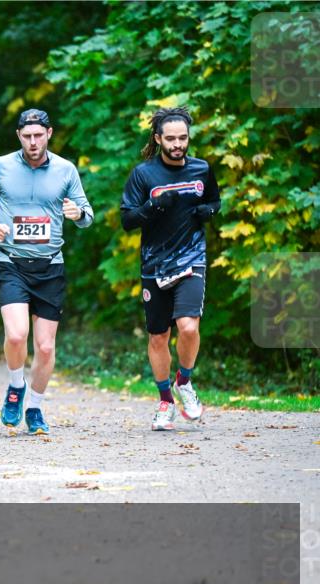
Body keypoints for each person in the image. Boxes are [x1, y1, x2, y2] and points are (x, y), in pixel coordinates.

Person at [0, 109, 93, 435]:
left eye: (38, 135)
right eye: (27, 136)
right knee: (16, 335)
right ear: (19, 136)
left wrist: (77, 212)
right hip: (11, 262)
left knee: (47, 347)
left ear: (49, 134)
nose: (33, 142)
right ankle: (15, 386)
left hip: (50, 265)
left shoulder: (66, 169)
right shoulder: (1, 166)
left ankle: (34, 407)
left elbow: (87, 214)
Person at [120, 106, 220, 431]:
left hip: (192, 257)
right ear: (159, 138)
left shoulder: (202, 169)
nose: (178, 144)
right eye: (171, 138)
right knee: (158, 336)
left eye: (183, 138)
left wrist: (209, 211)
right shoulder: (143, 175)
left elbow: (215, 202)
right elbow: (127, 220)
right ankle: (166, 401)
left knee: (188, 327)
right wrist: (150, 207)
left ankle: (185, 382)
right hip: (155, 263)